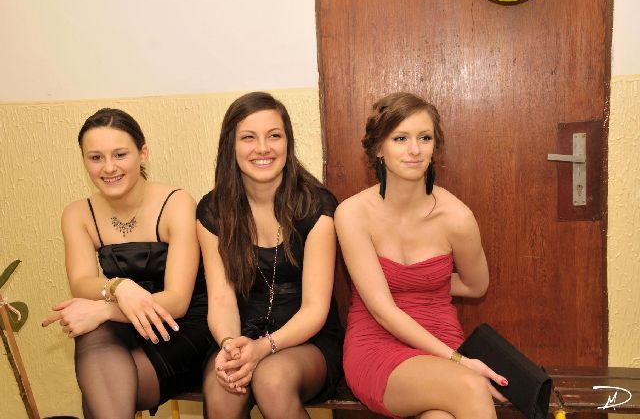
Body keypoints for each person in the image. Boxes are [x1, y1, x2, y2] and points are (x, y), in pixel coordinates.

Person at [336, 92, 508, 419]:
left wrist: (425, 284)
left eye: (424, 138)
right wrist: (460, 361)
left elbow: (476, 286)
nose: (414, 150)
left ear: (434, 146)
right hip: (377, 344)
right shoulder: (353, 213)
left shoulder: (456, 217)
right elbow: (384, 312)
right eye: (400, 138)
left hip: (440, 338)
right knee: (471, 386)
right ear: (378, 148)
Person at [42, 108, 213, 418]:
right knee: (96, 348)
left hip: (182, 326)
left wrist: (105, 309)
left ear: (142, 153)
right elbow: (80, 283)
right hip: (127, 325)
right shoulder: (78, 214)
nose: (109, 168)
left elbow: (177, 301)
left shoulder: (176, 203)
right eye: (96, 157)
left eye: (120, 154)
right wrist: (119, 287)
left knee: (104, 391)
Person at [196, 91, 344, 419]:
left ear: (287, 142)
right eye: (248, 137)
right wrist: (230, 345)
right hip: (241, 331)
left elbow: (315, 310)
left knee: (271, 380)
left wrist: (263, 348)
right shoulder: (212, 212)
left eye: (274, 136)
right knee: (222, 393)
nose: (262, 148)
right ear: (231, 145)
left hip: (307, 338)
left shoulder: (317, 206)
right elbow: (220, 299)